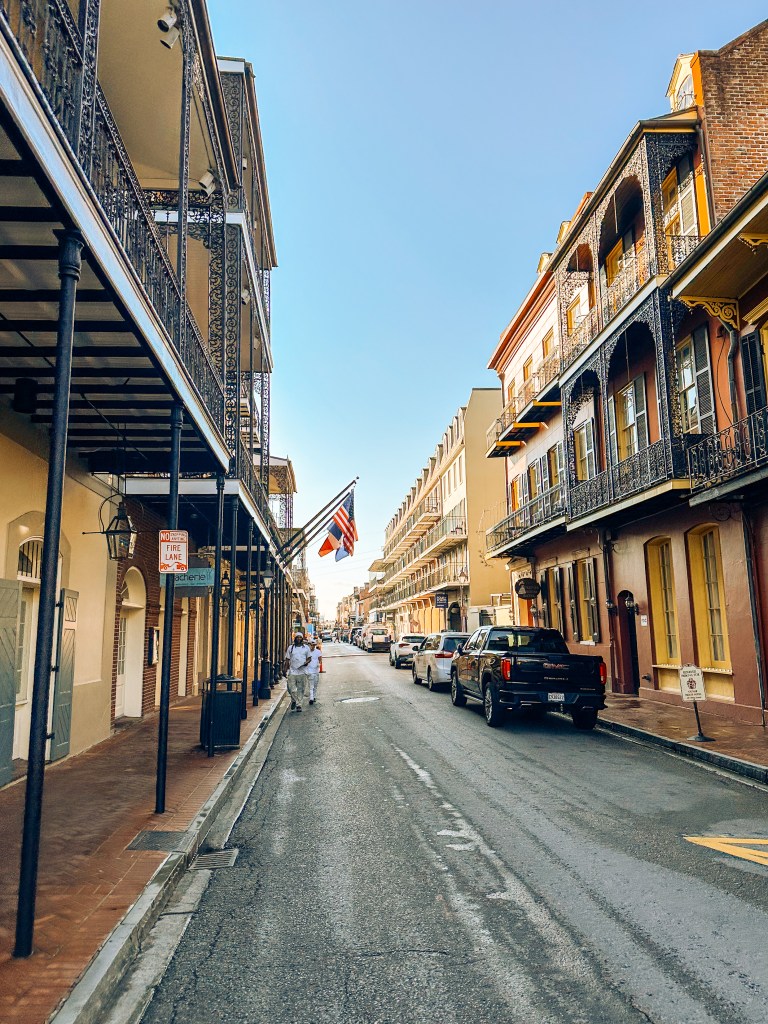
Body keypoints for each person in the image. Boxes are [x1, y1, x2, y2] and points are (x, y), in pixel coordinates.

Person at [283, 632, 310, 712]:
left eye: (300, 637)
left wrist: (306, 662)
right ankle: (294, 700)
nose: (298, 638)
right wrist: (284, 669)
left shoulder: (306, 648)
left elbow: (309, 658)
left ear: (302, 638)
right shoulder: (291, 648)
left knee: (301, 689)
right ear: (295, 638)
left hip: (302, 671)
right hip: (293, 671)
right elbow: (287, 659)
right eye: (297, 637)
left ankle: (299, 705)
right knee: (291, 689)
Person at [306, 637, 322, 705]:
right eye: (310, 645)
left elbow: (320, 659)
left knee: (315, 684)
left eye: (313, 645)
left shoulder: (318, 652)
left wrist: (319, 664)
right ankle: (311, 698)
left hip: (316, 670)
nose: (312, 646)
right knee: (311, 685)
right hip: (309, 671)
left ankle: (314, 696)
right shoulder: (307, 652)